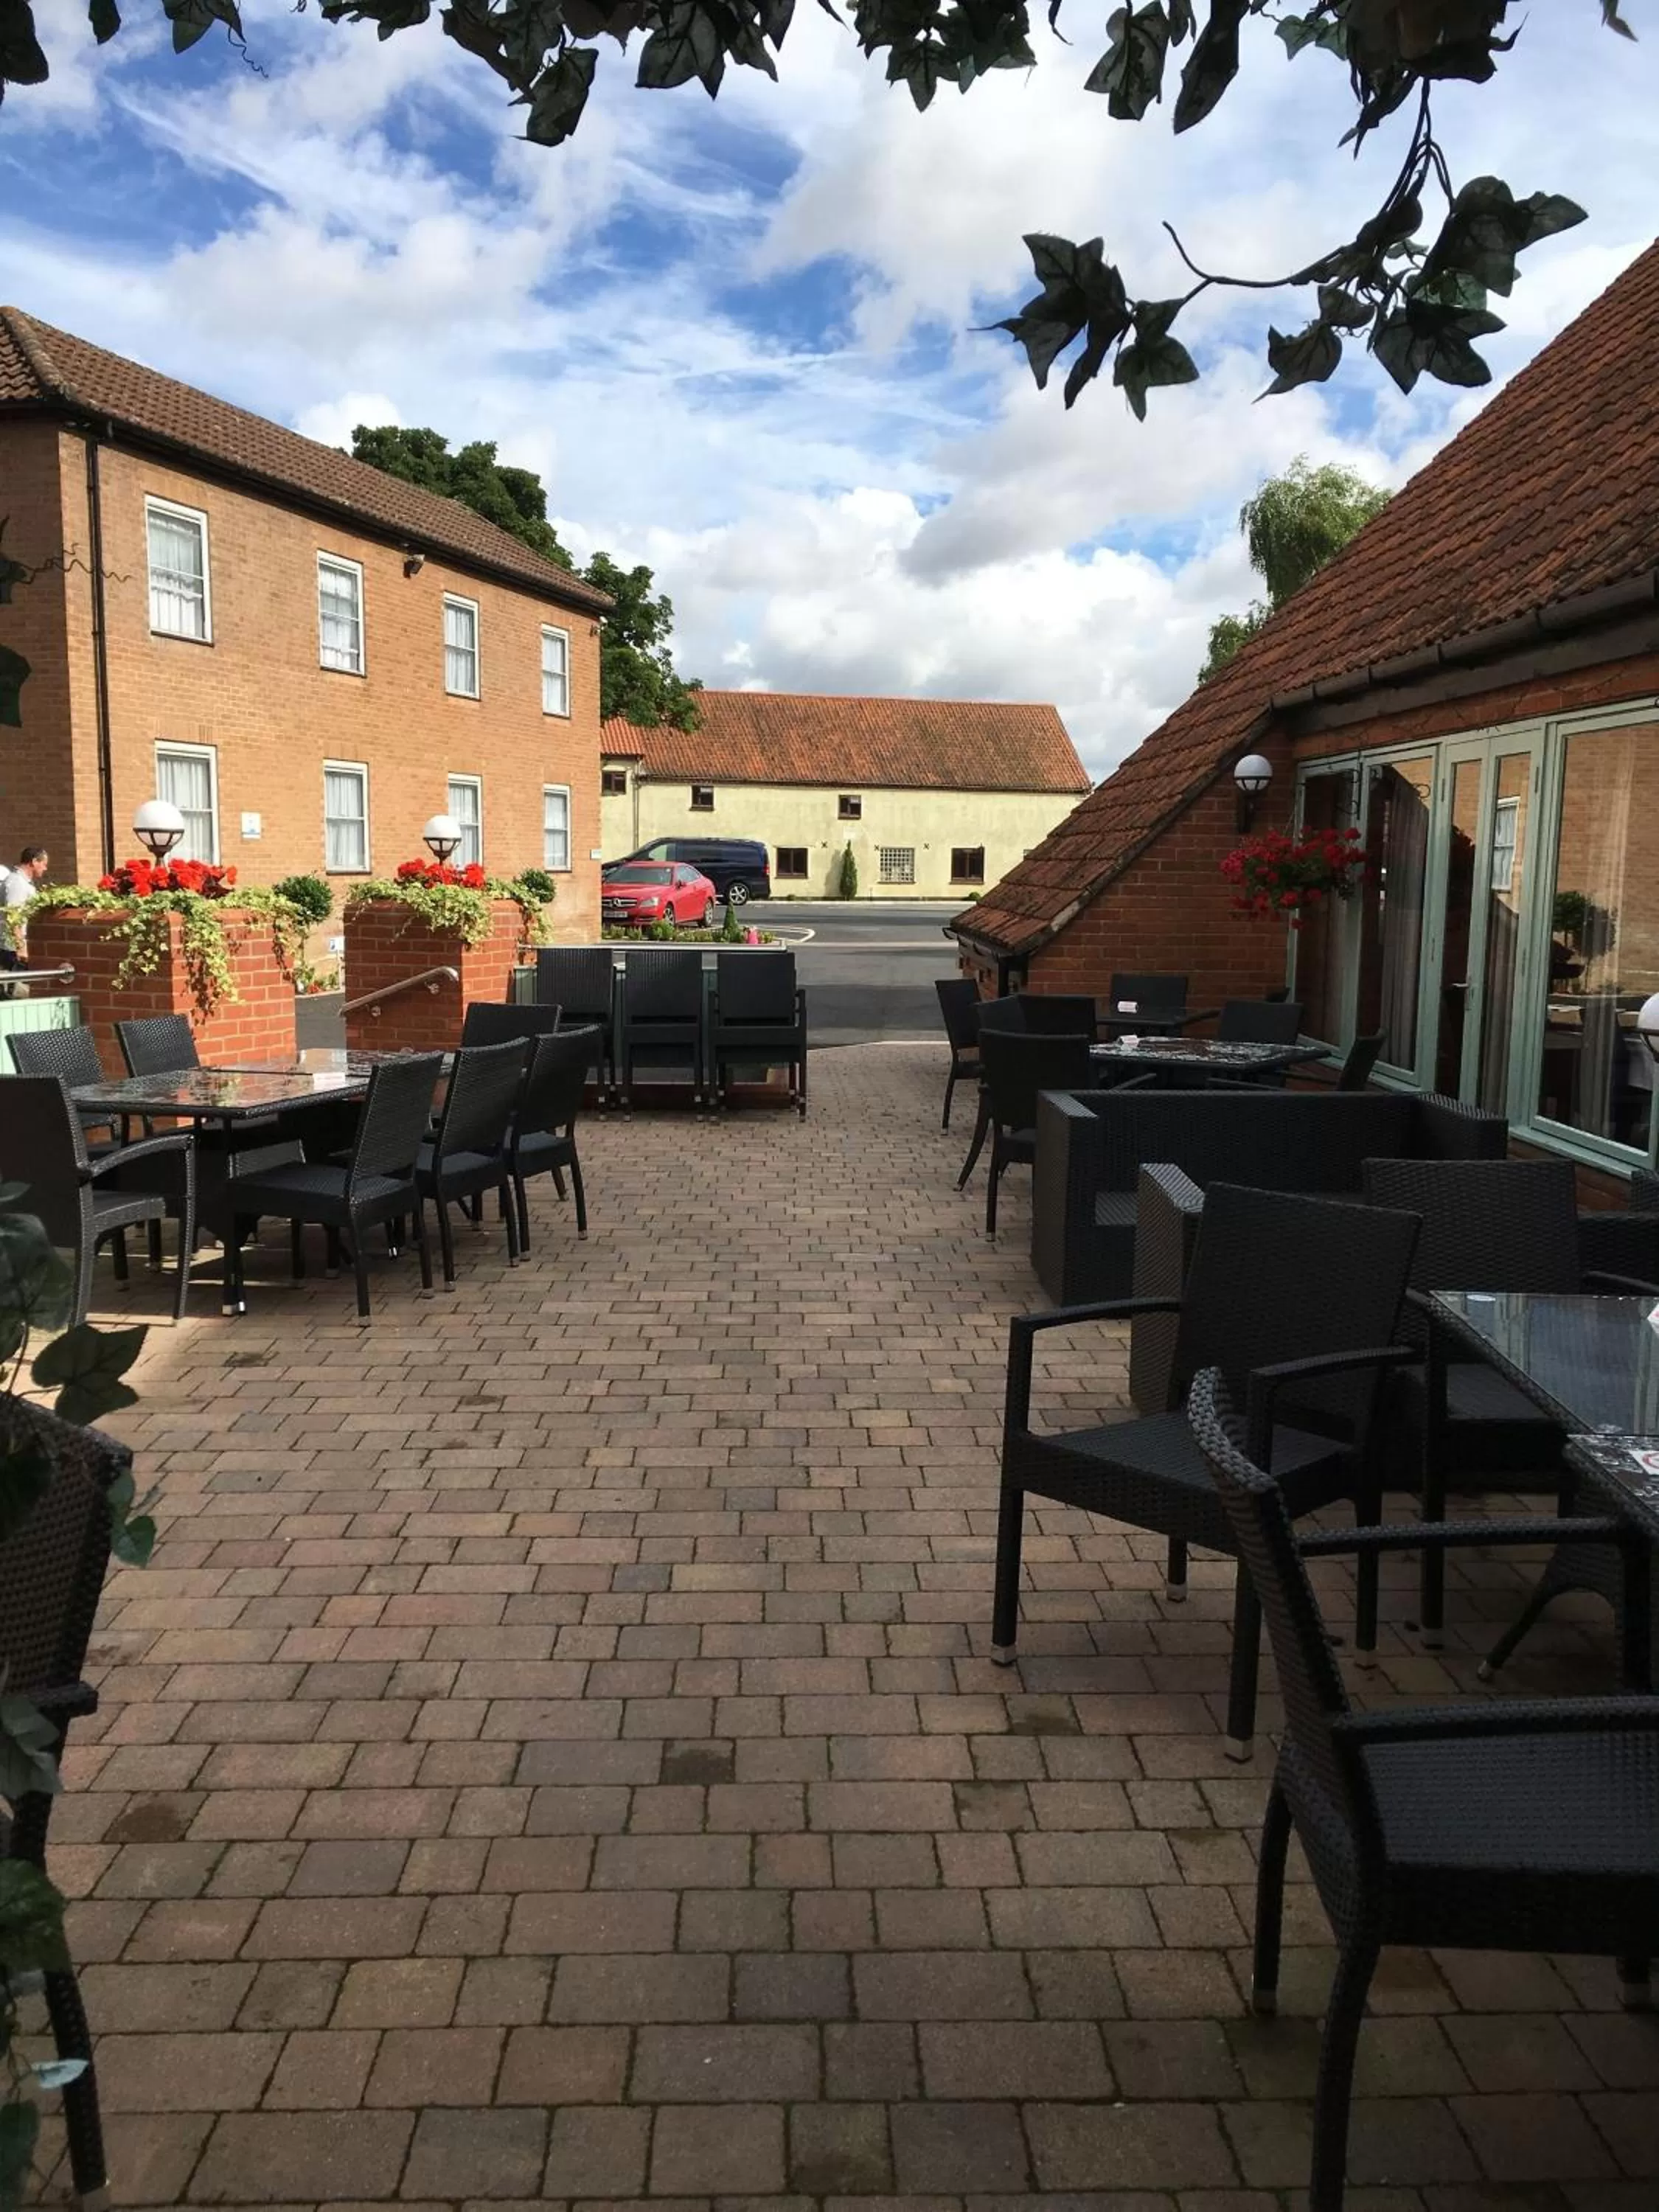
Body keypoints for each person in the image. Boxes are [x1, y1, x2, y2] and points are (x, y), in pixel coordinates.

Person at [1, 845, 49, 971]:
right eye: (43, 864)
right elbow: (13, 916)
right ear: (34, 862)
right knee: (17, 989)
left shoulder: (24, 882)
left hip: (16, 947)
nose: (45, 868)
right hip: (12, 950)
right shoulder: (17, 883)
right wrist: (21, 947)